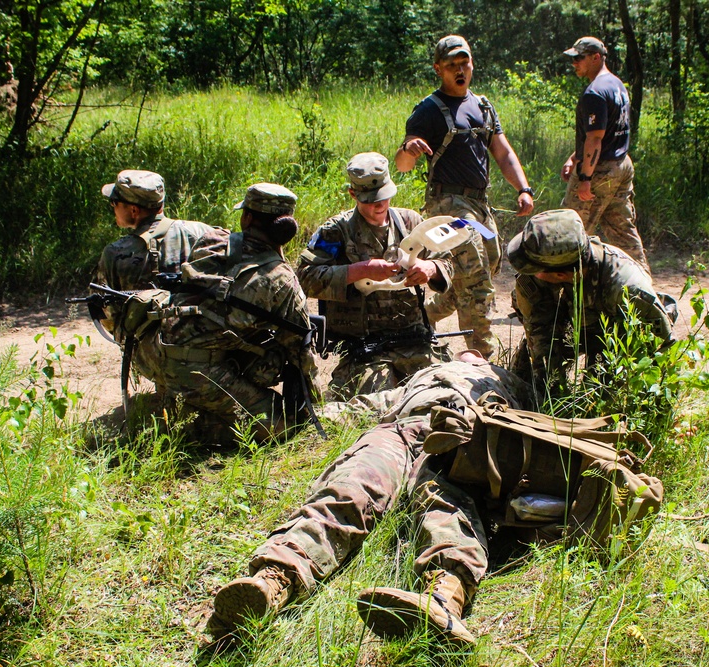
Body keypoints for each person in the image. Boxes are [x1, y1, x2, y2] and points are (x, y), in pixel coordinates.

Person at [206, 351, 532, 639]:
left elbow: (532, 422)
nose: (468, 354)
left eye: (475, 354)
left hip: (461, 433)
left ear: (485, 361)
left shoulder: (502, 379)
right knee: (351, 486)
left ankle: (444, 598)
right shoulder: (423, 377)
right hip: (399, 430)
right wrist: (312, 414)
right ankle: (275, 578)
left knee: (446, 498)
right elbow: (366, 405)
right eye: (462, 353)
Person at [137, 183, 318, 441]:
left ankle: (180, 397)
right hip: (197, 370)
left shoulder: (212, 240)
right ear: (287, 228)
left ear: (247, 218)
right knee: (284, 426)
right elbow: (301, 351)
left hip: (153, 350)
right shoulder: (282, 279)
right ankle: (185, 424)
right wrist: (315, 405)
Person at [396, 34, 535, 360]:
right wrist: (408, 149)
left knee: (484, 265)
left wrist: (523, 188)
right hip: (449, 208)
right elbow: (402, 165)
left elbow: (502, 152)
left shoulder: (483, 106)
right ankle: (480, 360)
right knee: (476, 281)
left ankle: (418, 318)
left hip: (479, 207)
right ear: (438, 69)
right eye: (451, 66)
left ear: (472, 64)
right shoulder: (428, 110)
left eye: (464, 63)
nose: (460, 70)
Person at [297, 152, 453, 400]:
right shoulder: (336, 231)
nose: (379, 206)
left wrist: (430, 268)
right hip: (364, 347)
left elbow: (446, 262)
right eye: (370, 201)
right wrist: (361, 270)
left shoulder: (411, 222)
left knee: (444, 394)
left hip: (414, 339)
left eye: (384, 197)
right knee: (378, 403)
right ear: (353, 194)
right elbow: (306, 277)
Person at [508, 209, 673, 391]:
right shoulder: (533, 281)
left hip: (613, 337)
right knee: (525, 385)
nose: (528, 273)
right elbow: (539, 334)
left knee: (602, 393)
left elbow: (661, 348)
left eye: (533, 268)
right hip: (566, 330)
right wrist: (550, 391)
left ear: (560, 274)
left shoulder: (627, 288)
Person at [93, 169, 216, 376]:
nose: (112, 207)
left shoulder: (115, 253)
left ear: (133, 210)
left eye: (114, 202)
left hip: (154, 360)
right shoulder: (203, 233)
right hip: (209, 348)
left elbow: (107, 315)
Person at [560, 37, 650, 275]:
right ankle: (643, 283)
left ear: (596, 57)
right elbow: (605, 133)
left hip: (600, 170)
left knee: (569, 230)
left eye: (579, 58)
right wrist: (574, 157)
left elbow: (596, 138)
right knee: (622, 232)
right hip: (621, 165)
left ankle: (560, 287)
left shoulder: (594, 92)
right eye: (573, 59)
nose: (575, 63)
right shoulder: (616, 85)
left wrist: (585, 177)